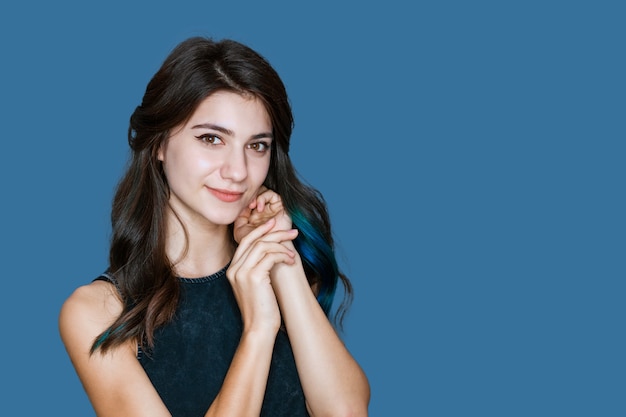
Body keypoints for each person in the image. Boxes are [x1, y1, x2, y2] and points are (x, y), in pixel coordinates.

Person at [58, 36, 370, 417]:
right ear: (159, 144)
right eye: (211, 139)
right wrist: (258, 329)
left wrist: (277, 253)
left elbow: (346, 412)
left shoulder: (287, 274)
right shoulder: (100, 313)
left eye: (257, 146)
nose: (237, 171)